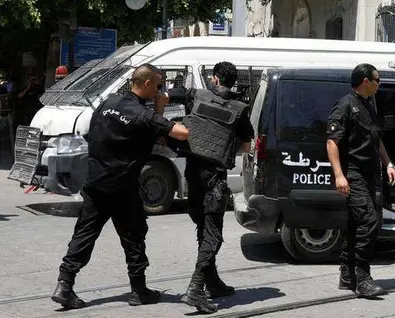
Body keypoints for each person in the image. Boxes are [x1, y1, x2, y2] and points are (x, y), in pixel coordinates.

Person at [51, 64, 190, 310]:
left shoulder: (108, 103)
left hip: (96, 182)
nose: (160, 89)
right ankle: (139, 291)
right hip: (122, 188)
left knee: (84, 235)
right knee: (134, 238)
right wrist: (164, 107)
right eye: (158, 85)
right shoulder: (142, 115)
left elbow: (94, 133)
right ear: (147, 84)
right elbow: (180, 132)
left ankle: (64, 284)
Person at [168, 62, 254, 314]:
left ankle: (212, 281)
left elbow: (168, 97)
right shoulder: (239, 110)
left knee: (203, 228)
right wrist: (225, 151)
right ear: (233, 81)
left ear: (214, 79)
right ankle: (196, 289)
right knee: (213, 234)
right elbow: (246, 148)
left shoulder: (195, 96)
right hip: (214, 177)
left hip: (193, 173)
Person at [326, 63, 395, 298]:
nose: (380, 84)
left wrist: (388, 163)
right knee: (368, 222)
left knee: (356, 224)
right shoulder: (345, 105)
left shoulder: (369, 105)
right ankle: (362, 277)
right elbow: (332, 142)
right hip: (353, 174)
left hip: (369, 174)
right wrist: (339, 175)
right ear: (366, 81)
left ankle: (347, 275)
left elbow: (376, 139)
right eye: (377, 80)